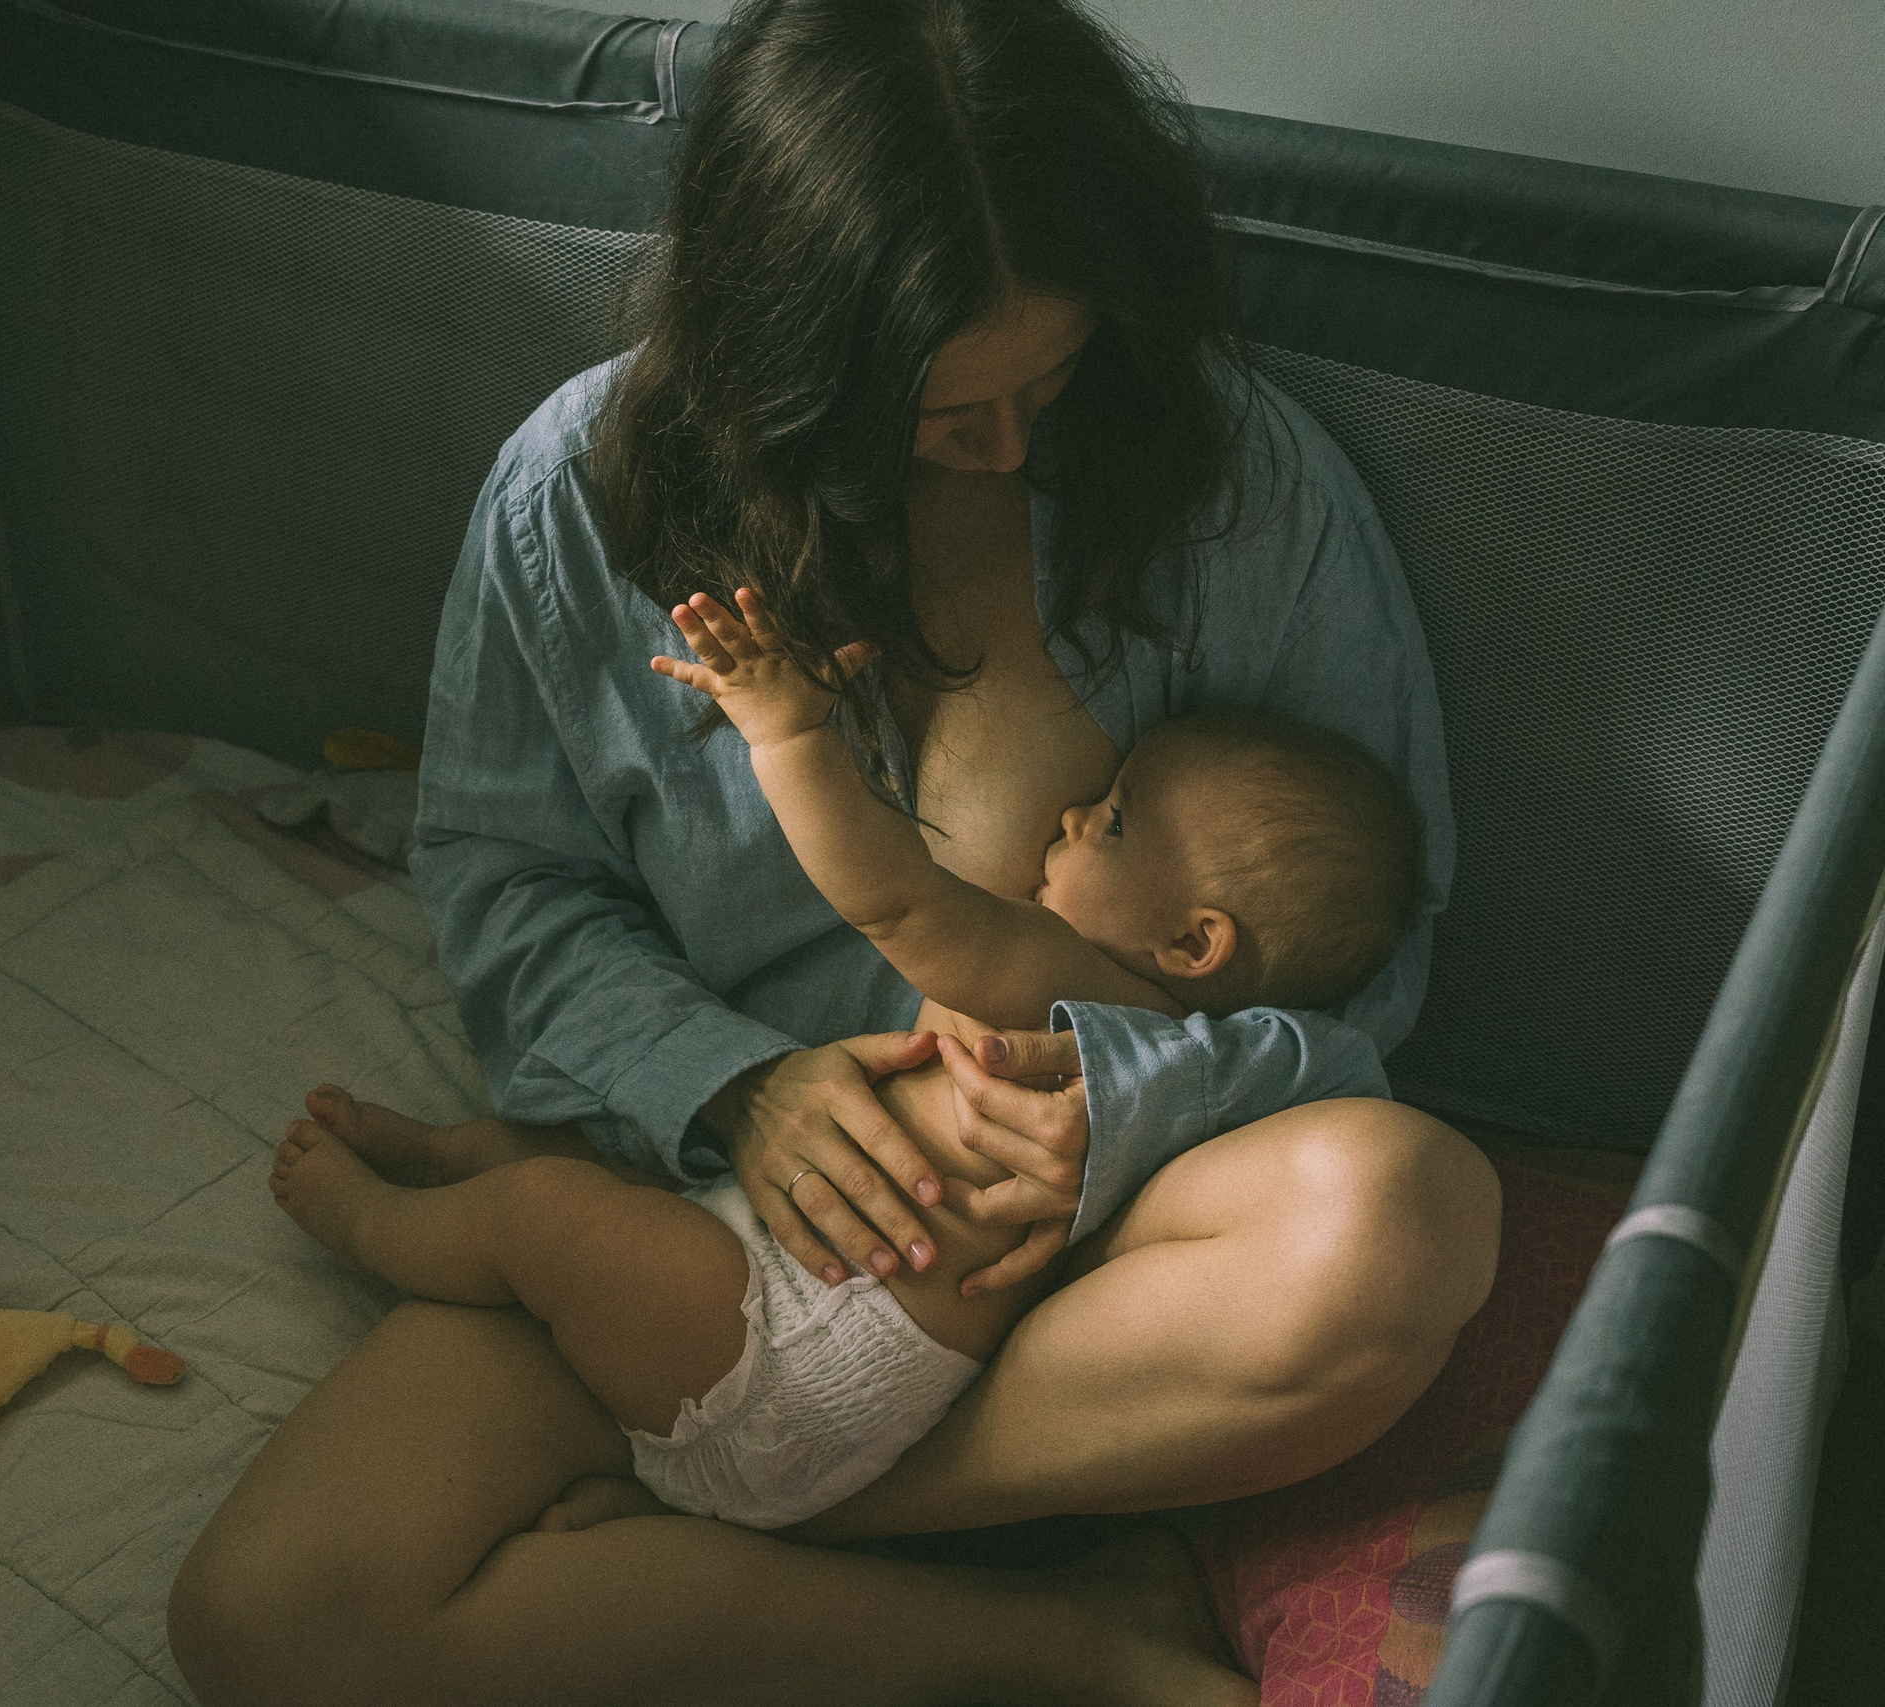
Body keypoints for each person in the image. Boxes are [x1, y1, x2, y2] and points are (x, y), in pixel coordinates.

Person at [170, 1, 1500, 1701]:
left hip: (1100, 1264)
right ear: (781, 356)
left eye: (1055, 380)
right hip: (715, 1250)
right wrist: (737, 1087)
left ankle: (770, 1532)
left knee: (1404, 1216)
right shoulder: (578, 498)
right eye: (948, 416)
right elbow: (511, 887)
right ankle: (1056, 1636)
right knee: (270, 1616)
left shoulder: (1244, 488)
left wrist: (1118, 1102)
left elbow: (1363, 947)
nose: (1011, 453)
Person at [264, 592, 1429, 1535]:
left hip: (787, 1357)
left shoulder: (1068, 988)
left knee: (545, 1216)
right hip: (818, 1346)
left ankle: (368, 1225)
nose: (1072, 816)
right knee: (584, 1156)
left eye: (1114, 822)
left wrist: (789, 735)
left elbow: (897, 898)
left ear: (1191, 944)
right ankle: (441, 1153)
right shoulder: (1199, 1081)